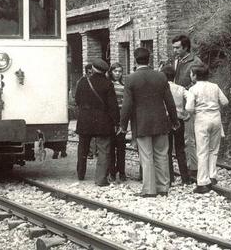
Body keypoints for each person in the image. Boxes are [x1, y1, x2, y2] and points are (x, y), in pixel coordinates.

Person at [120, 48, 179, 197]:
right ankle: (163, 188)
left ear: (134, 60)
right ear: (149, 59)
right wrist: (174, 120)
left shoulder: (130, 79)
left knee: (146, 157)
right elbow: (170, 102)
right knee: (162, 155)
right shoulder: (161, 77)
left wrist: (123, 125)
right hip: (161, 122)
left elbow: (126, 105)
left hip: (142, 123)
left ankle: (149, 190)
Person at [75, 58, 120, 187]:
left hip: (85, 120)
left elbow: (77, 99)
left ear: (93, 68)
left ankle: (81, 173)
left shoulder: (83, 81)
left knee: (83, 147)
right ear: (105, 71)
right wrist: (116, 122)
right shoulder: (107, 84)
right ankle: (100, 179)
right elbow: (113, 106)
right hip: (103, 121)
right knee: (104, 150)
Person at [185, 65, 229, 194]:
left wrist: (195, 111)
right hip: (216, 119)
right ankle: (212, 176)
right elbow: (225, 101)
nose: (190, 76)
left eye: (191, 74)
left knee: (202, 151)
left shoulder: (193, 89)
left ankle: (202, 182)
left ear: (195, 75)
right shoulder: (214, 86)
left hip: (202, 120)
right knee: (213, 149)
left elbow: (189, 107)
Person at [171, 34, 203, 181]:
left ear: (185, 47)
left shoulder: (195, 62)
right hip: (177, 106)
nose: (175, 50)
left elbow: (199, 83)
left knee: (189, 138)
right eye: (173, 48)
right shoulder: (175, 61)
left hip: (189, 106)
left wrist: (182, 90)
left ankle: (194, 170)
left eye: (177, 48)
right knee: (182, 139)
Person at [161, 65, 192, 185]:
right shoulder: (180, 88)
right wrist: (187, 112)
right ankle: (185, 178)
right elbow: (190, 96)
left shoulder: (162, 87)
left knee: (167, 149)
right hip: (179, 120)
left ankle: (170, 177)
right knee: (180, 149)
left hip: (166, 120)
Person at [107, 62, 127, 182]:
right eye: (115, 71)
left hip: (121, 119)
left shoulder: (124, 86)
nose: (118, 74)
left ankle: (122, 171)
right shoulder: (109, 85)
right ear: (111, 72)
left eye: (119, 71)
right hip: (110, 119)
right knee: (111, 147)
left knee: (121, 147)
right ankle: (112, 172)